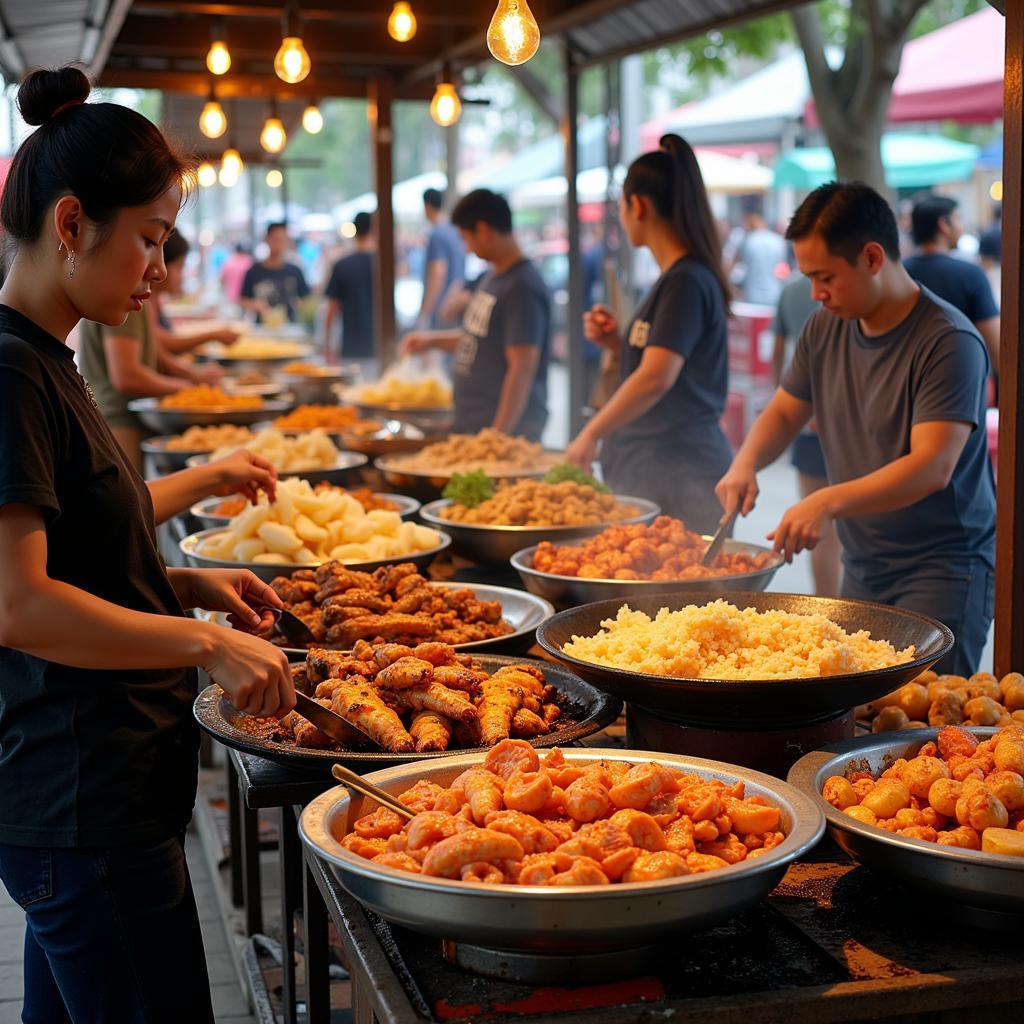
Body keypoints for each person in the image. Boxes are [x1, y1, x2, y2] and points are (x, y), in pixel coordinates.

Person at [0, 66, 296, 1023]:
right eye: (151, 240)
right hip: (83, 802)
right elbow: (19, 604)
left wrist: (188, 585)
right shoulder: (12, 374)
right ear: (73, 223)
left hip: (103, 798)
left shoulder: (49, 356)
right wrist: (206, 644)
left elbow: (82, 552)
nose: (162, 269)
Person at [716, 181, 995, 675]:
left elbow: (932, 465)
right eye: (809, 279)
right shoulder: (825, 326)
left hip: (944, 566)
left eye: (825, 278)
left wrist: (824, 501)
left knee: (923, 717)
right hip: (865, 561)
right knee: (863, 711)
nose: (817, 295)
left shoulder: (949, 341)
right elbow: (784, 411)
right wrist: (744, 462)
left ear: (871, 257)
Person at [564, 135, 733, 534]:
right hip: (656, 467)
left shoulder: (686, 280)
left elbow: (657, 377)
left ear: (636, 205)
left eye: (622, 207)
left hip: (680, 470)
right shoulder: (673, 280)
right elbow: (663, 362)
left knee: (680, 590)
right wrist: (618, 345)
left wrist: (590, 433)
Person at [399, 189, 550, 441]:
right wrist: (430, 341)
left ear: (483, 230)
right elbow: (478, 339)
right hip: (473, 424)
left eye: (466, 238)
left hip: (507, 433)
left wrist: (496, 437)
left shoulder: (523, 286)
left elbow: (521, 368)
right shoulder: (491, 277)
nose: (466, 248)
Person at [79, 283, 225, 471]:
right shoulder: (126, 292)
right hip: (118, 419)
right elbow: (127, 376)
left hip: (120, 416)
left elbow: (156, 351)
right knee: (128, 498)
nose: (160, 271)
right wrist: (188, 390)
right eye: (149, 252)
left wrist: (193, 377)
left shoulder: (133, 293)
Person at [771, 273, 842, 595]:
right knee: (830, 530)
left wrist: (791, 399)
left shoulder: (790, 292)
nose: (818, 293)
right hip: (828, 425)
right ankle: (833, 609)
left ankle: (829, 604)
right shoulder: (830, 309)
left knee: (824, 534)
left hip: (811, 428)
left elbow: (777, 353)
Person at [903, 194, 1000, 367]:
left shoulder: (901, 273)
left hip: (908, 378)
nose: (961, 227)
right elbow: (996, 345)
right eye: (958, 219)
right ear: (944, 225)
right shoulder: (971, 274)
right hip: (960, 376)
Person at [149, 231, 239, 353]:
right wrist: (213, 335)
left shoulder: (154, 299)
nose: (182, 276)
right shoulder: (144, 301)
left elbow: (159, 351)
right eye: (179, 267)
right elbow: (157, 341)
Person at [322, 211, 376, 371]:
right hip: (379, 346)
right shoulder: (382, 266)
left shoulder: (342, 265)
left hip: (350, 348)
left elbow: (332, 309)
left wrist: (327, 345)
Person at [239, 222, 309, 324]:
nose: (279, 244)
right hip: (262, 327)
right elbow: (243, 300)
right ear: (267, 239)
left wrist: (300, 305)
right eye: (276, 239)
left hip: (289, 326)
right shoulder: (253, 271)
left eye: (283, 240)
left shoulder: (295, 271)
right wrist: (255, 305)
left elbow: (306, 298)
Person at [416, 188, 466, 330]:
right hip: (454, 305)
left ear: (427, 206)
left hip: (440, 309)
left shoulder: (437, 234)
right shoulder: (454, 231)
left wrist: (424, 313)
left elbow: (438, 273)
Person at [727, 195, 787, 306]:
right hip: (774, 295)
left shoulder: (747, 240)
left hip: (752, 296)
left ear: (752, 218)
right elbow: (782, 270)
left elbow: (730, 266)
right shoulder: (778, 241)